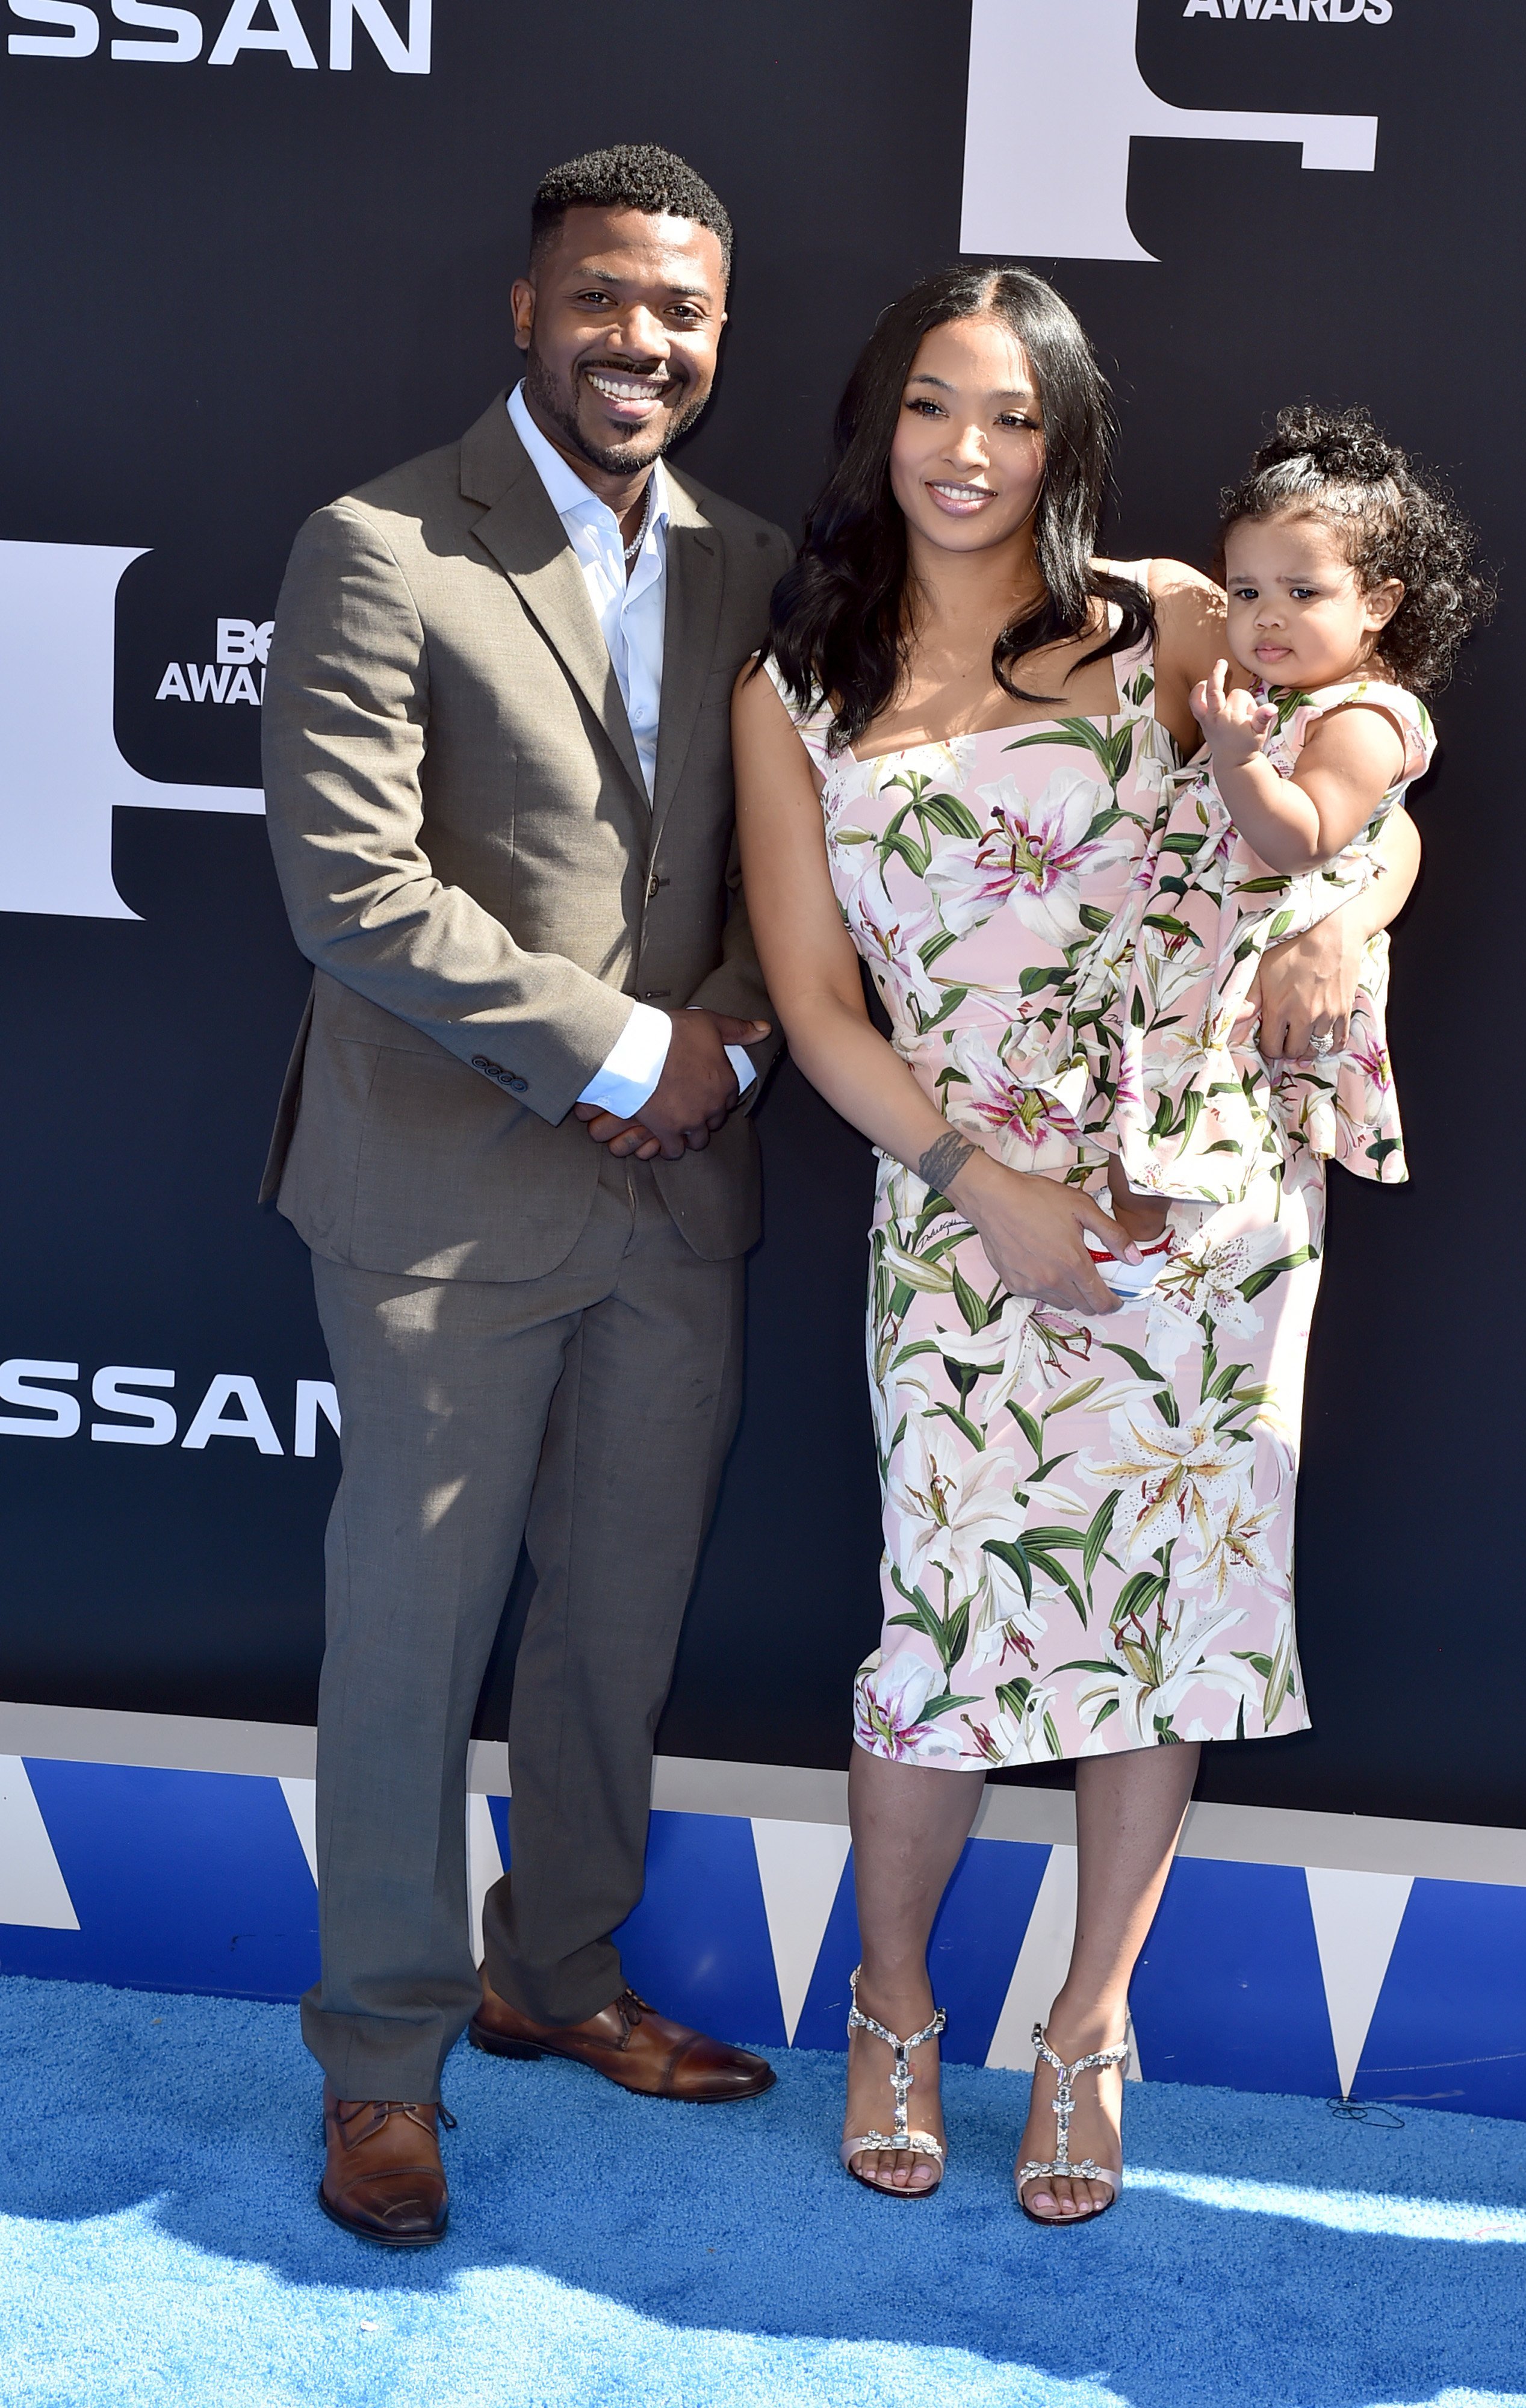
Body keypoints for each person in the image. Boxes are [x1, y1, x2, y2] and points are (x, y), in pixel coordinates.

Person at [731, 267, 1427, 2226]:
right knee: (945, 1644)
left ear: (1064, 442)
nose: (969, 452)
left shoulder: (1171, 621)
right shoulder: (791, 689)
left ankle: (1087, 2028)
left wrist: (1336, 924)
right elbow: (812, 1006)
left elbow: (1363, 757)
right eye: (934, 407)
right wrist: (983, 1190)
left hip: (1202, 1196)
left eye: (1013, 417)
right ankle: (889, 2008)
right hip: (966, 1206)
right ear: (881, 422)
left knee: (1158, 1636)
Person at [260, 143, 791, 2250]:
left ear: (714, 334)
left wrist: (724, 1047)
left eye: (673, 309)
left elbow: (810, 875)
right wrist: (614, 1048)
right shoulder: (378, 542)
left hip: (679, 1196)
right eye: (597, 299)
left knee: (615, 1632)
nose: (633, 341)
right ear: (524, 308)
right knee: (410, 1645)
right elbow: (350, 889)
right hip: (439, 1203)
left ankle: (551, 1977)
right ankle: (380, 2067)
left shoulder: (755, 561)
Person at [1111, 402, 1489, 1217]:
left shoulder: (1364, 718)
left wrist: (1238, 755)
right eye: (1246, 590)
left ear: (1380, 603)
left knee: (1201, 1169)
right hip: (1193, 970)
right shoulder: (1276, 699)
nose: (1267, 613)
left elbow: (1302, 840)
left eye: (1302, 590)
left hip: (1256, 993)